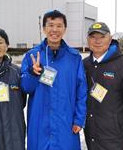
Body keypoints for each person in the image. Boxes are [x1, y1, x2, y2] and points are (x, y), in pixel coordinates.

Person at [21, 10, 87, 150]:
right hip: (40, 124)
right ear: (44, 28)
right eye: (51, 25)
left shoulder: (74, 58)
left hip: (66, 123)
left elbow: (81, 92)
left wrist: (79, 119)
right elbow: (26, 88)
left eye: (59, 25)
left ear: (64, 29)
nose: (55, 30)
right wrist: (33, 73)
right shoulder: (32, 56)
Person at [83, 22, 123, 150]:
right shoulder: (84, 65)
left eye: (102, 37)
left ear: (110, 39)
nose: (97, 41)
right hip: (91, 137)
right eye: (93, 37)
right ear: (88, 40)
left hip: (116, 139)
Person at [0, 29, 26, 150]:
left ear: (7, 45)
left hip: (14, 132)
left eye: (0, 42)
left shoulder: (17, 72)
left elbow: (22, 102)